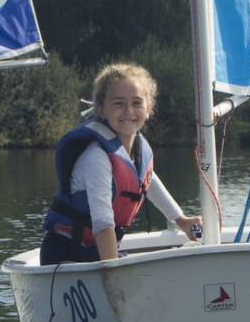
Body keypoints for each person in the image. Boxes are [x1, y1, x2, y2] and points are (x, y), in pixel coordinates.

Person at [40, 63, 201, 265]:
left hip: (95, 251)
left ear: (148, 109)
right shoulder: (97, 157)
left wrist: (182, 220)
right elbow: (103, 223)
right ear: (101, 110)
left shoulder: (138, 152)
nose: (128, 111)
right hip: (66, 252)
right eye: (118, 103)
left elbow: (149, 183)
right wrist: (113, 270)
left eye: (136, 102)